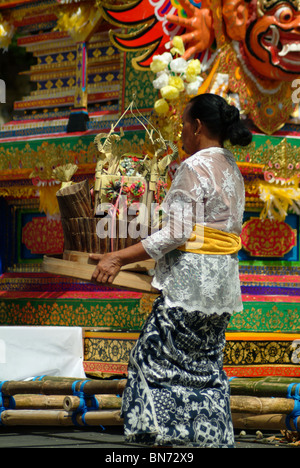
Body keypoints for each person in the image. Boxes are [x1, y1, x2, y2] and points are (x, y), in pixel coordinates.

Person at [90, 93, 252, 448]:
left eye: (183, 124)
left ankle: (165, 442)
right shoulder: (232, 168)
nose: (180, 132)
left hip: (189, 286)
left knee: (151, 361)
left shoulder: (194, 167)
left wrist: (118, 256)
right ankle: (210, 439)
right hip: (222, 285)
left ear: (197, 127)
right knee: (205, 369)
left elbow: (177, 233)